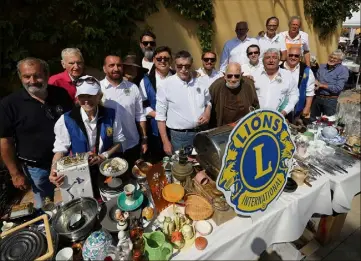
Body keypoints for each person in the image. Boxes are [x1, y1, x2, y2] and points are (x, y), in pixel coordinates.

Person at [0, 57, 73, 208]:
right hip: (37, 168)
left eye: (37, 75)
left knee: (72, 195)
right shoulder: (9, 104)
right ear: (20, 77)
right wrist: (15, 174)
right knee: (44, 204)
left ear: (46, 75)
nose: (32, 81)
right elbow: (5, 141)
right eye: (27, 76)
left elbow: (73, 123)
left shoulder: (60, 94)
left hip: (65, 161)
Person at [49, 76, 126, 195]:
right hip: (78, 173)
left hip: (105, 169)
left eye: (90, 96)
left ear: (99, 96)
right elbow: (60, 150)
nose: (86, 100)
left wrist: (103, 156)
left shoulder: (111, 115)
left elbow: (118, 142)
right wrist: (53, 169)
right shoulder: (66, 119)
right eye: (82, 96)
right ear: (77, 98)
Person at [156, 50, 212, 154]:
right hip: (180, 138)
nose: (183, 70)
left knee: (202, 165)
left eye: (187, 66)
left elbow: (208, 102)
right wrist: (165, 142)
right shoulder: (165, 85)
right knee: (183, 168)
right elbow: (160, 117)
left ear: (191, 65)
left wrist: (207, 113)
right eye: (179, 66)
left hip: (202, 132)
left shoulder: (200, 83)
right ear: (174, 65)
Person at [101, 55, 147, 167]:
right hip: (109, 148)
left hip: (132, 143)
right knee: (112, 181)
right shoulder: (98, 88)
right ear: (104, 68)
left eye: (119, 65)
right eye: (111, 65)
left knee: (133, 176)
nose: (116, 69)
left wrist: (144, 139)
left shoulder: (133, 88)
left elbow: (140, 115)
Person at [139, 46, 175, 162]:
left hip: (176, 128)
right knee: (158, 161)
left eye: (166, 58)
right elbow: (143, 105)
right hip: (155, 129)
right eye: (159, 59)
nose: (163, 61)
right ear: (154, 60)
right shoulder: (145, 80)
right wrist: (158, 115)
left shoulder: (178, 77)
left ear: (171, 60)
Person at [209, 62, 259, 128]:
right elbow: (208, 106)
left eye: (236, 76)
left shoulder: (248, 84)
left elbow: (256, 106)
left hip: (245, 128)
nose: (233, 79)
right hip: (223, 129)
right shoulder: (216, 86)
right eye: (229, 76)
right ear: (224, 75)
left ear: (241, 75)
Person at [251, 48, 299, 116]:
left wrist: (285, 111)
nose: (271, 60)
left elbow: (294, 95)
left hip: (279, 118)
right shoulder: (254, 75)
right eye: (267, 58)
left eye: (274, 58)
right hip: (256, 118)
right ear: (263, 60)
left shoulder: (288, 76)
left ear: (279, 61)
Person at [311, 50, 349, 119]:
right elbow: (316, 80)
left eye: (335, 58)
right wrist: (315, 84)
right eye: (331, 57)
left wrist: (321, 85)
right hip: (317, 97)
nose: (331, 59)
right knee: (313, 120)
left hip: (330, 100)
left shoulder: (343, 70)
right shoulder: (322, 67)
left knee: (328, 122)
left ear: (340, 61)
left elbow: (338, 88)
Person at [280, 47, 315, 122]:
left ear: (300, 57)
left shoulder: (306, 71)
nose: (293, 57)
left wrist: (307, 107)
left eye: (296, 56)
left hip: (297, 109)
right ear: (287, 55)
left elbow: (310, 91)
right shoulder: (278, 68)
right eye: (291, 55)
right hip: (279, 108)